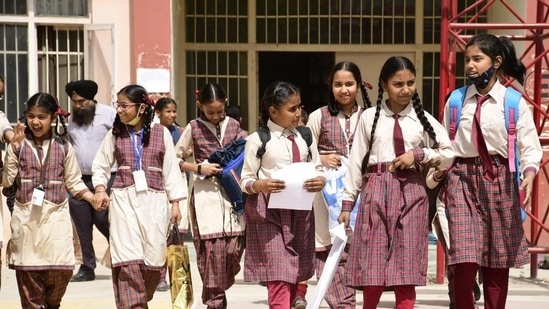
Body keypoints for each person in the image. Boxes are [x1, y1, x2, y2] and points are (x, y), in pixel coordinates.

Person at [338, 56, 454, 309]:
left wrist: (420, 154)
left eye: (411, 83)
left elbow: (449, 152)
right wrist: (347, 205)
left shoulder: (422, 119)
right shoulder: (369, 118)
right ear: (383, 85)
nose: (406, 90)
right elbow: (357, 162)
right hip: (376, 191)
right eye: (398, 84)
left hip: (412, 193)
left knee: (406, 265)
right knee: (373, 264)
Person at [440, 34, 542, 309]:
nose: (470, 66)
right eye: (467, 60)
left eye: (477, 59)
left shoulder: (513, 102)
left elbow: (530, 147)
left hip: (501, 181)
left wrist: (529, 174)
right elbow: (442, 145)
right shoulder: (456, 100)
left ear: (496, 62)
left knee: (497, 263)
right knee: (463, 259)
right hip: (460, 179)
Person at [91, 84, 186, 308]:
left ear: (142, 108)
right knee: (127, 260)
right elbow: (101, 165)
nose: (120, 110)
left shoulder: (161, 133)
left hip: (155, 203)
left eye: (124, 105)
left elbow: (171, 170)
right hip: (123, 201)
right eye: (118, 105)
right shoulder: (114, 134)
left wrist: (175, 204)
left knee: (154, 263)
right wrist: (100, 188)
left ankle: (139, 300)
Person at [1, 92, 95, 308]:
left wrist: (93, 197)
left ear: (53, 117)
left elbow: (74, 182)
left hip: (56, 225)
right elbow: (6, 180)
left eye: (41, 116)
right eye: (31, 116)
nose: (35, 121)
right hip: (26, 225)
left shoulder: (64, 147)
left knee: (58, 283)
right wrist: (9, 151)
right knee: (31, 293)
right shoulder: (17, 146)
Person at [239, 81, 326, 309]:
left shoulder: (305, 137)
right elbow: (245, 180)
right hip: (269, 215)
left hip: (300, 214)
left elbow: (317, 168)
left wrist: (321, 180)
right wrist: (261, 184)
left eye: (299, 107)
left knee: (295, 271)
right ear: (273, 112)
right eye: (292, 109)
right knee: (278, 273)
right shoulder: (258, 140)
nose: (298, 114)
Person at [306, 60, 373, 309]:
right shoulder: (317, 117)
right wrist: (321, 158)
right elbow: (304, 151)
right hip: (326, 198)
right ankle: (342, 304)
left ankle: (351, 299)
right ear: (330, 87)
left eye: (349, 84)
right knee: (327, 246)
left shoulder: (370, 116)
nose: (343, 90)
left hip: (360, 193)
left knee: (356, 249)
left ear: (358, 85)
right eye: (338, 84)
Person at [174, 83, 246, 309]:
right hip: (205, 197)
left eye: (220, 111)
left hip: (233, 195)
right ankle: (215, 302)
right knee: (212, 253)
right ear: (200, 106)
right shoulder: (193, 128)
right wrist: (197, 168)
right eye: (210, 112)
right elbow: (173, 160)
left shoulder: (234, 125)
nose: (215, 116)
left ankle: (218, 292)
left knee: (234, 251)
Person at [65, 80, 117, 282]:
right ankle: (87, 266)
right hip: (78, 179)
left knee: (103, 218)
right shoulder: (71, 120)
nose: (77, 105)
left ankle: (124, 256)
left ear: (92, 99)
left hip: (106, 178)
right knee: (82, 225)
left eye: (81, 101)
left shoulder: (109, 115)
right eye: (74, 101)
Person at [153, 97, 187, 292]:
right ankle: (159, 277)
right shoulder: (154, 132)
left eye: (174, 111)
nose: (172, 115)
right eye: (168, 111)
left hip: (178, 185)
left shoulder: (180, 132)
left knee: (177, 234)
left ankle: (177, 277)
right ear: (158, 112)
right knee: (161, 234)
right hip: (159, 187)